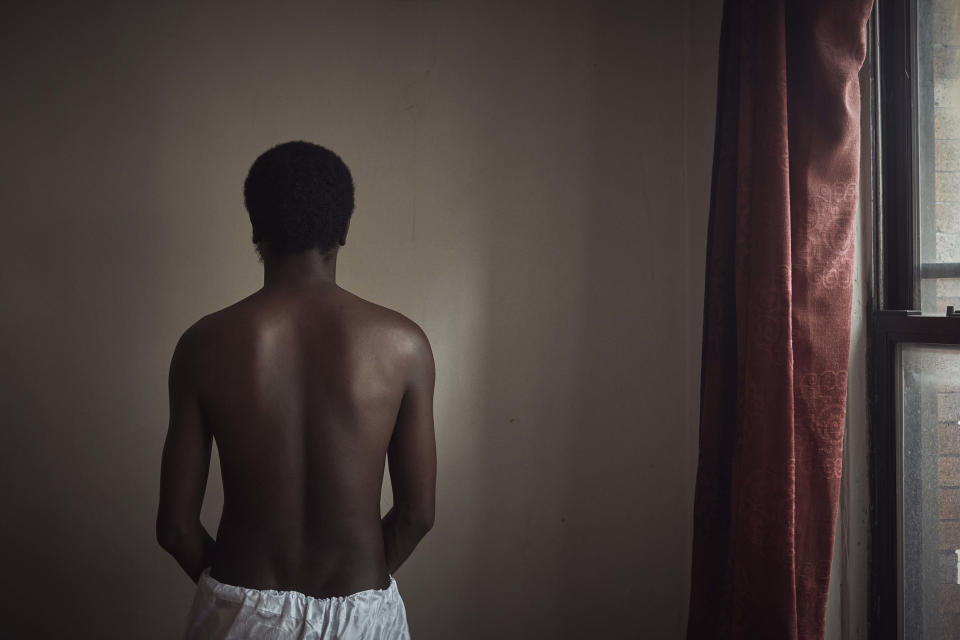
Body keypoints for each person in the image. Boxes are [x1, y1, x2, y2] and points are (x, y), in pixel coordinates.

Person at [156, 141, 436, 639]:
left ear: (255, 228)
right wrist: (363, 585)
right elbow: (417, 513)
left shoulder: (202, 345)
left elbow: (176, 527)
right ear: (343, 230)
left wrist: (231, 598)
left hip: (241, 613)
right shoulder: (404, 345)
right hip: (362, 614)